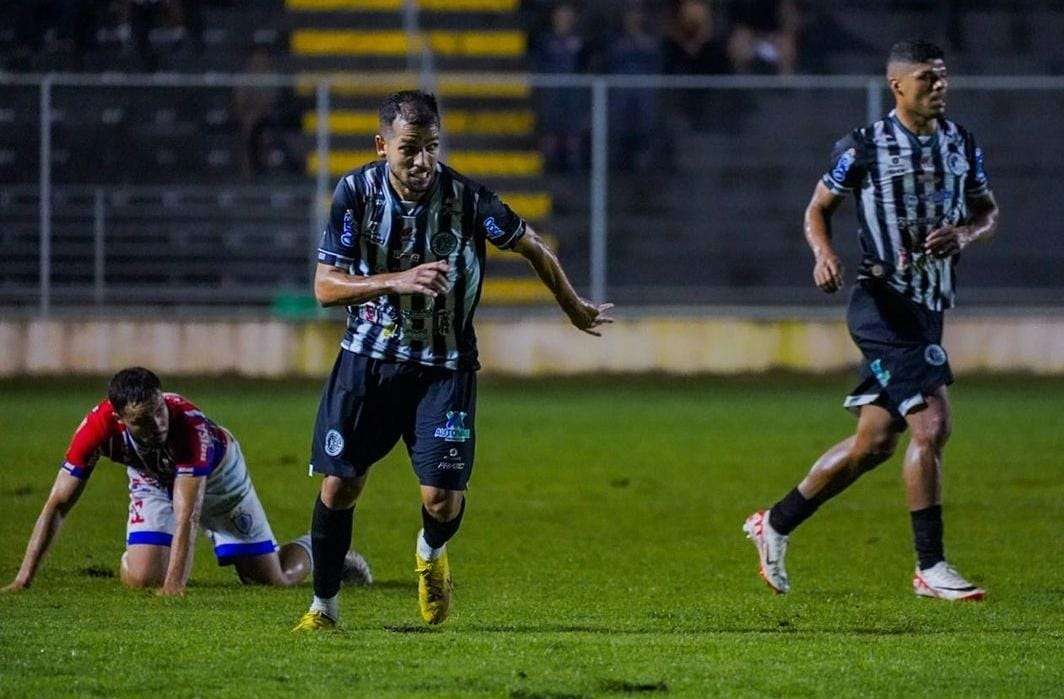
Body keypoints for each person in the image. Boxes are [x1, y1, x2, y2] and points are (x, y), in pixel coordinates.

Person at [293, 90, 612, 631]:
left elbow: (533, 246)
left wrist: (573, 308)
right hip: (366, 362)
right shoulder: (355, 193)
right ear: (381, 146)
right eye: (409, 149)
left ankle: (430, 550)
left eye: (432, 148)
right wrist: (397, 280)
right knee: (340, 486)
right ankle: (322, 609)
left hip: (444, 365)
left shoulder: (468, 199)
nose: (422, 163)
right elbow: (324, 287)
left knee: (441, 498)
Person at [743, 40, 999, 601]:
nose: (940, 86)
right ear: (898, 87)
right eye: (929, 78)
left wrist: (964, 233)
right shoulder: (863, 148)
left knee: (876, 442)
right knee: (932, 424)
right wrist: (823, 252)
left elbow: (986, 211)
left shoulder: (961, 144)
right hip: (882, 303)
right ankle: (930, 568)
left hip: (929, 307)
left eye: (944, 77)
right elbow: (816, 208)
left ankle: (776, 523)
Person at [2, 367, 370, 596]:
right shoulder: (96, 430)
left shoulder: (190, 427)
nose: (158, 424)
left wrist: (174, 588)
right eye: (144, 421)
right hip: (153, 479)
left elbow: (188, 515)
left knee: (272, 580)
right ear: (119, 420)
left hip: (222, 478)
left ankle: (321, 551)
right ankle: (144, 550)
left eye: (159, 411)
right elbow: (58, 504)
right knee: (141, 578)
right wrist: (23, 579)